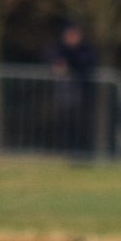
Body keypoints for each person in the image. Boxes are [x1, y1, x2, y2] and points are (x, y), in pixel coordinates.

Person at [48, 22, 98, 159]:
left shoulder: (86, 50)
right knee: (65, 127)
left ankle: (82, 155)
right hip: (64, 96)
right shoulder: (58, 49)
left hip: (81, 96)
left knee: (81, 127)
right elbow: (51, 57)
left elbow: (85, 62)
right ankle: (66, 153)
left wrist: (68, 65)